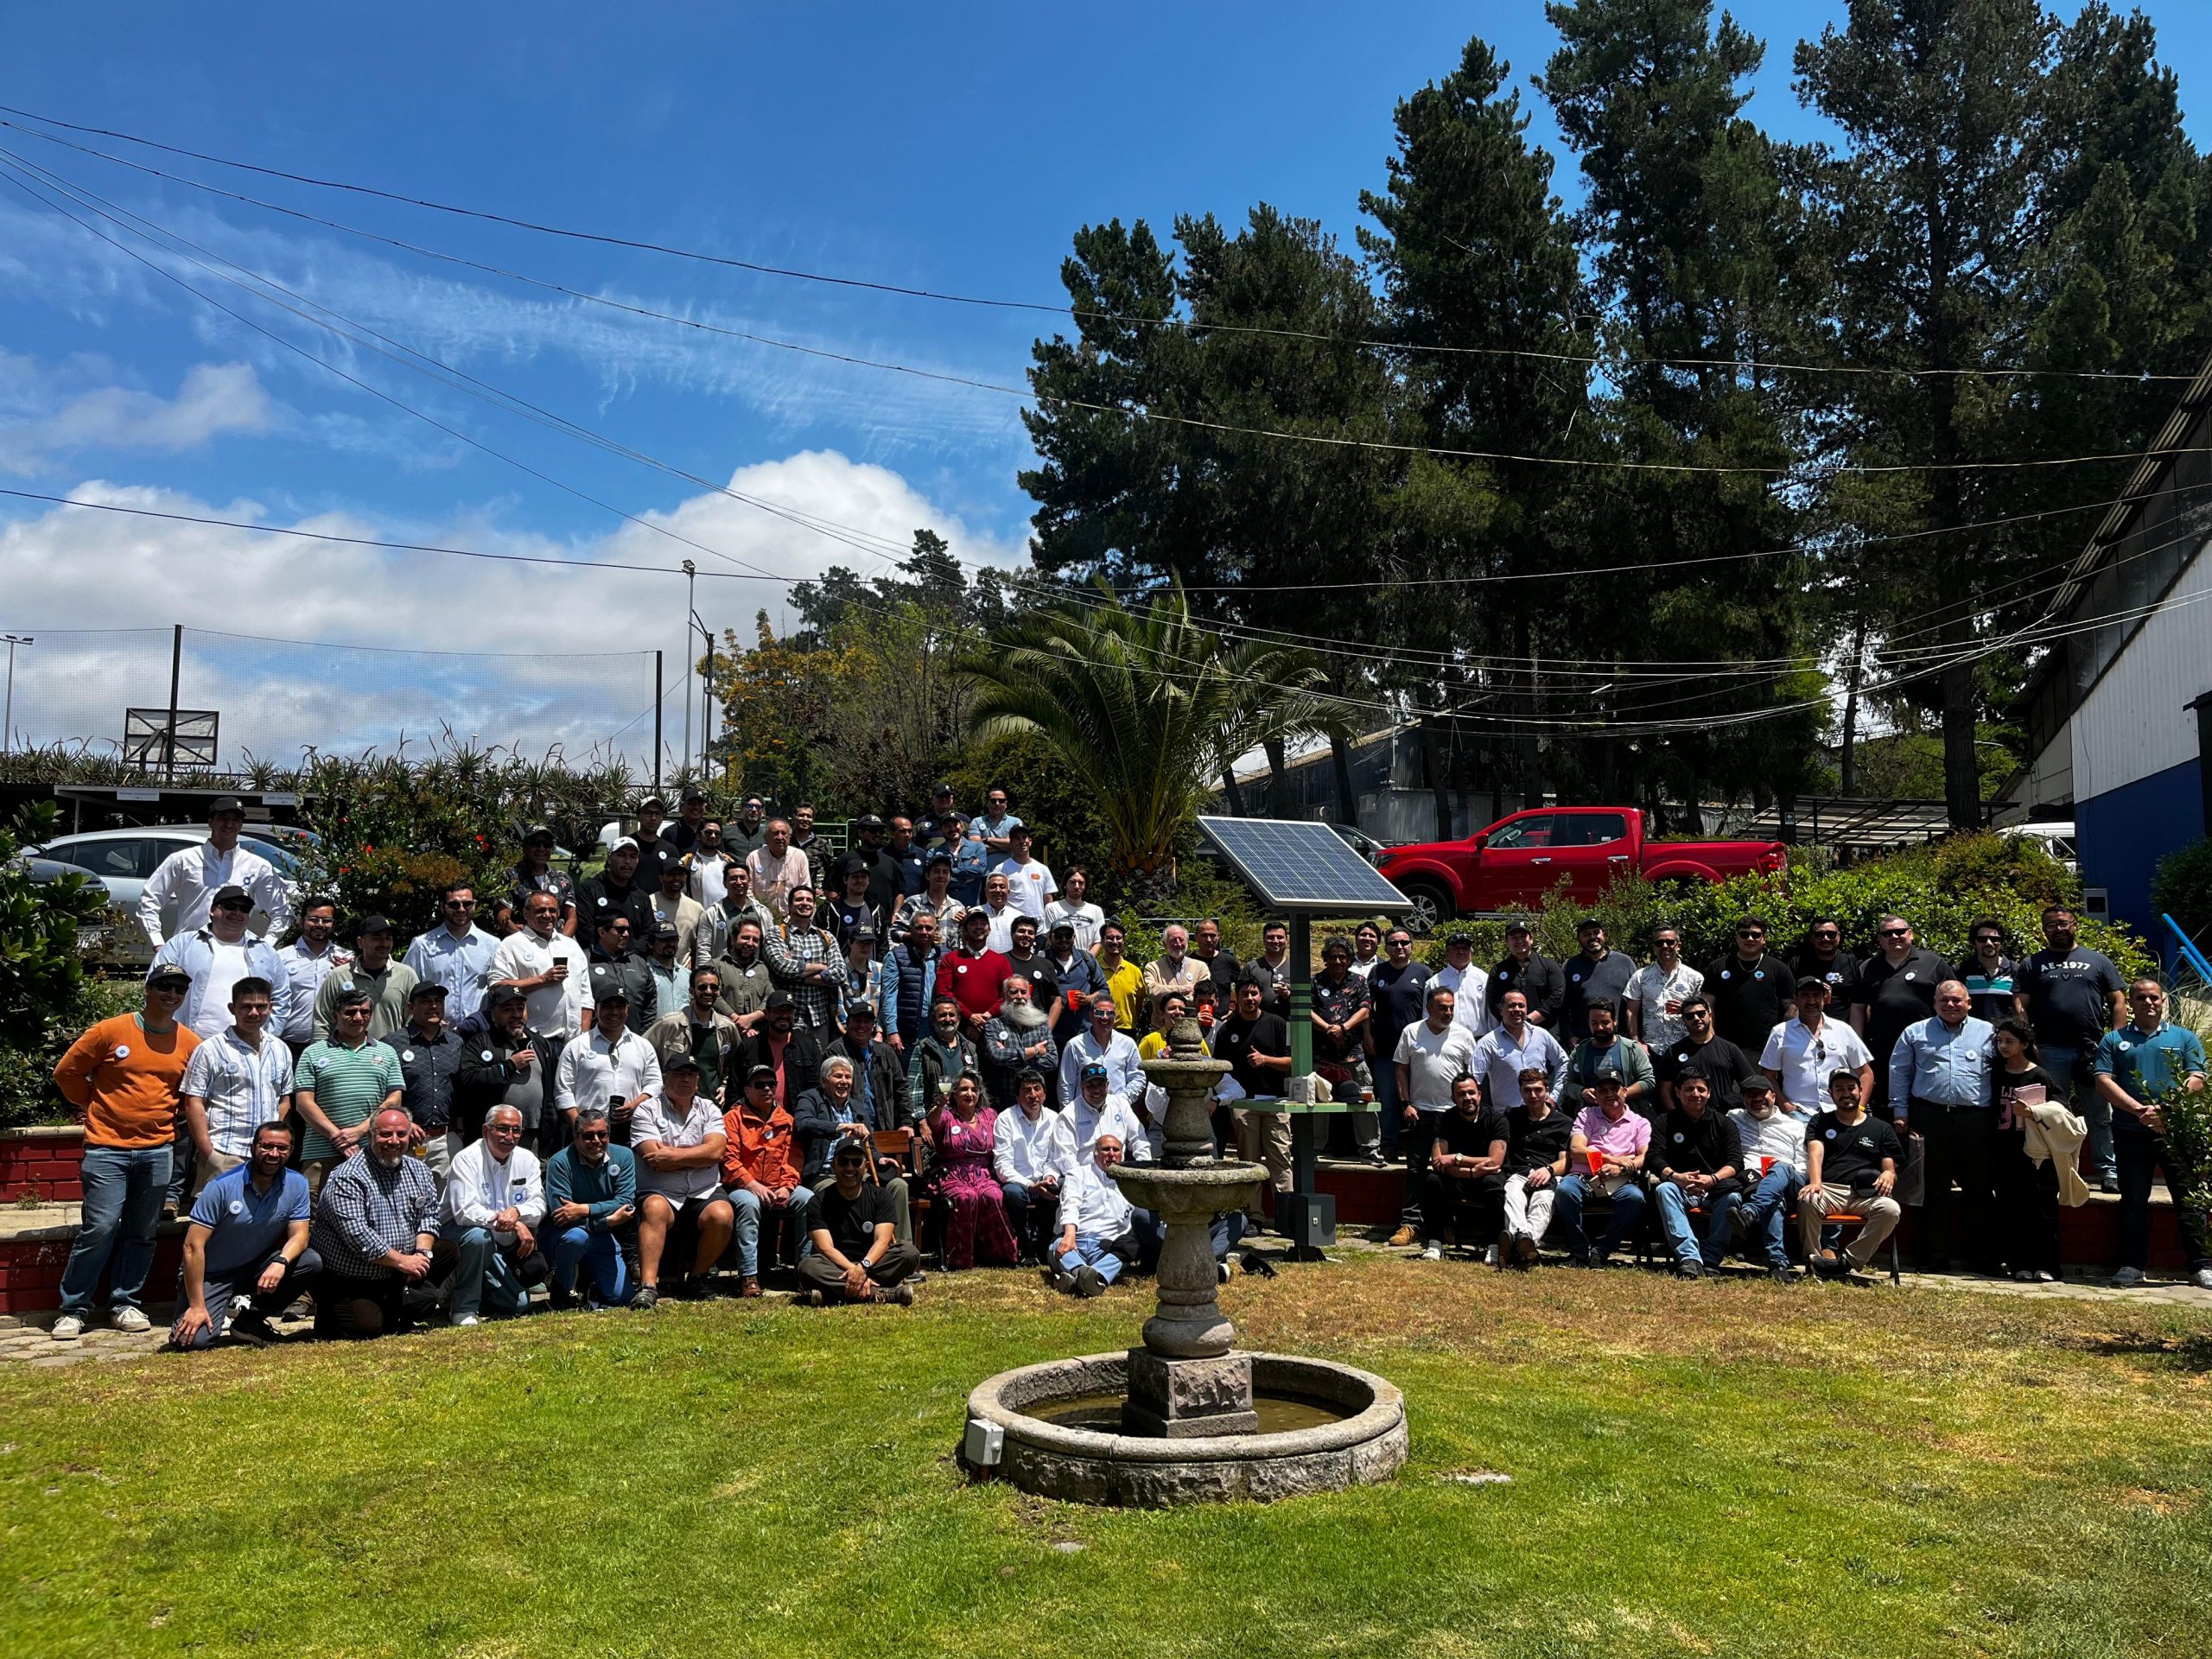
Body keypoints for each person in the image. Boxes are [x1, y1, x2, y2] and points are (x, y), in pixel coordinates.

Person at [48, 969, 200, 1340]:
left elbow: (190, 1093)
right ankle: (74, 1309)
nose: (172, 993)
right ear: (148, 989)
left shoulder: (190, 1042)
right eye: (164, 986)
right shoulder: (109, 1031)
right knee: (99, 1228)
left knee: (142, 1233)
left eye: (180, 988)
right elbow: (67, 1072)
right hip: (106, 1148)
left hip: (159, 1149)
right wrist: (94, 1103)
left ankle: (125, 1302)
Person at [2093, 978, 2210, 1289]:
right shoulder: (2114, 1039)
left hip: (2177, 1133)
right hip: (2130, 1131)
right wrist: (2139, 1111)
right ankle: (2132, 1265)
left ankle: (2201, 1266)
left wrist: (2165, 1110)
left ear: (2163, 1001)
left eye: (2154, 997)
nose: (2149, 1003)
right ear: (2130, 1003)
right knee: (2133, 1199)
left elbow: (2197, 1077)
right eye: (2141, 998)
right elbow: (2103, 1080)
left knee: (2189, 1200)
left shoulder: (2184, 1038)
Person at [168, 1120, 317, 1349]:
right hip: (211, 1274)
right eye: (266, 1146)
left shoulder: (296, 1183)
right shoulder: (221, 1186)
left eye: (282, 1148)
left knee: (310, 1262)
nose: (274, 1154)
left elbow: (300, 1236)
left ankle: (249, 1321)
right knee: (192, 1341)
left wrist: (280, 1262)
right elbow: (192, 1247)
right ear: (253, 1148)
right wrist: (197, 1306)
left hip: (255, 1266)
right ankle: (203, 1305)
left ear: (291, 1151)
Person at [2016, 905, 2127, 1192]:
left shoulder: (2098, 961)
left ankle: (2108, 1172)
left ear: (2075, 925)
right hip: (2050, 1049)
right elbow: (2020, 1004)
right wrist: (2029, 1042)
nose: (2058, 929)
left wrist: (2114, 1040)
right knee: (2053, 1114)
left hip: (2093, 1049)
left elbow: (2117, 1000)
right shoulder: (2032, 963)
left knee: (2100, 1114)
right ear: (2044, 930)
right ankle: (2057, 1170)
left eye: (2063, 924)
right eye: (2051, 925)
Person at [1891, 980, 1998, 1273]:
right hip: (1930, 1117)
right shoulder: (1915, 1032)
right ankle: (1935, 1257)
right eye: (1945, 1000)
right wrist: (1900, 1111)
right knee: (1934, 1189)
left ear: (1969, 1002)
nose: (1951, 1005)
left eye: (1957, 1000)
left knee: (1979, 1188)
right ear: (1935, 1003)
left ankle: (1983, 1258)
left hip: (1975, 1119)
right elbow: (1899, 1072)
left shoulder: (1988, 1033)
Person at [307, 1106, 442, 1337]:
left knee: (448, 1251)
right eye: (385, 1134)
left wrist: (421, 1254)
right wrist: (403, 1262)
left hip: (395, 1267)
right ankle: (333, 1311)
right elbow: (357, 1235)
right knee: (366, 1329)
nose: (394, 1141)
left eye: (401, 1134)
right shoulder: (347, 1176)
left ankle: (397, 1302)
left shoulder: (419, 1170)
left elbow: (430, 1215)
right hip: (351, 1276)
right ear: (370, 1136)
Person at [627, 1055, 735, 1306]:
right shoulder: (646, 1110)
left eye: (691, 1074)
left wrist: (672, 1156)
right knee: (654, 1209)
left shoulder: (709, 1108)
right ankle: (648, 1287)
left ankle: (697, 1277)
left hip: (703, 1190)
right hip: (659, 1189)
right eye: (679, 1073)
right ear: (666, 1078)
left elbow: (717, 1152)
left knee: (723, 1214)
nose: (685, 1079)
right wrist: (699, 1156)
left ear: (698, 1081)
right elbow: (653, 1158)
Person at [178, 975, 293, 1195]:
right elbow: (194, 1102)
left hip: (267, 1155)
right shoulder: (210, 1049)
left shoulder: (280, 1049)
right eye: (246, 1007)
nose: (253, 1013)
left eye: (261, 1007)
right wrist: (208, 1152)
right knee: (215, 1224)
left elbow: (284, 1099)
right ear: (232, 1008)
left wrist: (275, 1143)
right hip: (224, 1150)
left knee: (260, 1223)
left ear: (271, 1007)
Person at [1388, 982, 1481, 1247]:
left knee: (1452, 1170)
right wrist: (1406, 1102)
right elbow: (1401, 1070)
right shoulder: (1411, 1032)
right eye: (1442, 1008)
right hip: (1421, 1112)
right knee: (1416, 1171)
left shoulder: (1464, 1035)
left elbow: (1470, 1077)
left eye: (1451, 1008)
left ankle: (1449, 1225)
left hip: (1454, 1116)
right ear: (1429, 1008)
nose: (1448, 1013)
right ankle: (1410, 1225)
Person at [439, 1103, 546, 1325]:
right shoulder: (466, 1158)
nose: (510, 1136)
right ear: (486, 1131)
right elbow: (464, 1212)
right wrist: (515, 1223)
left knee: (517, 1305)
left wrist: (517, 1212)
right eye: (503, 1129)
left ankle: (459, 1286)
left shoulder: (527, 1159)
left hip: (501, 1245)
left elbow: (538, 1205)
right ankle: (463, 1308)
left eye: (516, 1130)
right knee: (479, 1238)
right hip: (461, 1236)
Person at [137, 795, 292, 948]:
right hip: (189, 949)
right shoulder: (182, 860)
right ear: (211, 822)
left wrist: (265, 946)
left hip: (235, 953)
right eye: (223, 818)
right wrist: (158, 943)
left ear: (241, 824)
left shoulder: (258, 866)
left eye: (235, 819)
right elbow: (149, 901)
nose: (229, 824)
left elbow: (282, 912)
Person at [295, 988, 404, 1198]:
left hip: (373, 1149)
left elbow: (394, 1099)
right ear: (335, 1016)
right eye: (350, 1012)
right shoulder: (313, 1052)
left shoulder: (387, 1052)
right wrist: (338, 1137)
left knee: (373, 1212)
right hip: (321, 1153)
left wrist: (361, 1131)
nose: (358, 1017)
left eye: (364, 1012)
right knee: (316, 1217)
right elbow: (303, 1103)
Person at [149, 883, 293, 1042]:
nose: (237, 912)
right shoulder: (180, 944)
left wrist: (267, 1036)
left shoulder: (266, 952)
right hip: (187, 1043)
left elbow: (281, 998)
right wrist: (163, 1031)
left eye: (244, 908)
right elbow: (155, 988)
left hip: (246, 1046)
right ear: (212, 910)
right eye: (230, 906)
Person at [1800, 1069, 1905, 1279]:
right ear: (1831, 1093)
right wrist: (1816, 1183)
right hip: (1829, 1189)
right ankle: (1813, 1262)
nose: (1846, 1093)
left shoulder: (1881, 1128)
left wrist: (1889, 1174)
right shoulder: (1820, 1121)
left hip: (1864, 1195)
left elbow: (1889, 1165)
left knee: (1890, 1209)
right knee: (1808, 1199)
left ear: (1860, 1090)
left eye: (1851, 1088)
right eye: (1839, 1089)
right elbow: (1815, 1153)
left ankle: (1847, 1262)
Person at [1990, 1017, 2070, 1283]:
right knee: (2011, 1209)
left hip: (2036, 1156)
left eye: (2009, 1041)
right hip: (2004, 1152)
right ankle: (2019, 1264)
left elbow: (2061, 1109)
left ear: (2024, 1044)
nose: (2003, 1046)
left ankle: (2047, 1265)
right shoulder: (1996, 1073)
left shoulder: (2040, 1075)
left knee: (2042, 1210)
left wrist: (2034, 1112)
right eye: (1999, 1040)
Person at [720, 1064, 807, 1296]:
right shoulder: (732, 1119)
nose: (767, 1089)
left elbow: (794, 1158)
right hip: (741, 1187)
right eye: (760, 1085)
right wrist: (751, 1184)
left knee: (808, 1199)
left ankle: (806, 1273)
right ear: (747, 1090)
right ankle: (749, 1277)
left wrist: (788, 1187)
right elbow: (729, 1159)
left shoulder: (786, 1119)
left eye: (771, 1084)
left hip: (779, 1186)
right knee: (748, 1204)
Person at [1647, 1073, 1745, 1280]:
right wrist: (1675, 1177)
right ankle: (1689, 1259)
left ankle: (1710, 1260)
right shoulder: (1665, 1121)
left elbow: (1736, 1162)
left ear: (1709, 1093)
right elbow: (1653, 1158)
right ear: (1678, 1092)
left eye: (1701, 1089)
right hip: (1679, 1186)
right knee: (1664, 1189)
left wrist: (1713, 1179)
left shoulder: (1724, 1123)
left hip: (1715, 1189)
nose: (1695, 1094)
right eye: (1689, 1089)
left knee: (1733, 1198)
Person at [800, 1140, 921, 1305]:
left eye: (856, 1162)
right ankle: (882, 1294)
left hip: (874, 1263)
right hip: (836, 1266)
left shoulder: (881, 1196)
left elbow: (883, 1240)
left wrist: (863, 1268)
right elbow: (825, 1247)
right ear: (834, 1165)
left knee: (909, 1252)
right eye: (843, 1162)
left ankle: (833, 1295)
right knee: (807, 1267)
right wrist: (854, 1270)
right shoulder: (818, 1202)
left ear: (865, 1167)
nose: (849, 1168)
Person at [1850, 913, 1947, 1116]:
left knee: (1924, 1098)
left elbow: (1953, 999)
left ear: (1910, 934)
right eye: (1887, 933)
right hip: (1882, 1048)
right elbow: (1858, 1008)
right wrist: (1858, 1046)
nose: (1894, 936)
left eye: (1899, 931)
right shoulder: (1867, 967)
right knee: (1886, 1102)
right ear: (1880, 940)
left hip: (1928, 1045)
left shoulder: (1934, 963)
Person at [1217, 974, 1294, 1227]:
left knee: (1280, 1158)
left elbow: (1292, 1063)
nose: (1250, 998)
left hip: (1276, 1102)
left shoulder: (1278, 1023)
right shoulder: (1227, 1029)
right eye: (1244, 995)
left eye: (1254, 994)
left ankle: (1286, 1217)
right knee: (1248, 1161)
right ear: (1236, 998)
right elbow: (1221, 1070)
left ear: (1261, 996)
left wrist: (1266, 1060)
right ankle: (1253, 1217)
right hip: (1243, 1104)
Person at [1554, 1070, 1650, 1268]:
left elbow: (1646, 1157)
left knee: (1635, 1198)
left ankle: (1601, 1251)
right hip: (1583, 1175)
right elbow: (1576, 1150)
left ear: (1625, 1091)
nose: (1609, 1094)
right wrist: (1612, 1159)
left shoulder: (1640, 1123)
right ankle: (1578, 1252)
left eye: (1614, 1089)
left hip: (1621, 1180)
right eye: (1603, 1090)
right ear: (1595, 1095)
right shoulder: (1587, 1114)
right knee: (1565, 1191)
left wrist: (1621, 1170)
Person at [543, 1104, 637, 1309]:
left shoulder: (624, 1156)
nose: (596, 1141)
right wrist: (607, 1221)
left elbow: (626, 1202)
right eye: (588, 1136)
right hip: (565, 1235)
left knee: (621, 1298)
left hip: (600, 1236)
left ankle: (589, 1282)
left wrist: (584, 1209)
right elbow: (562, 1216)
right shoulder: (559, 1163)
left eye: (602, 1134)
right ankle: (562, 1287)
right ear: (575, 1137)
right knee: (576, 1238)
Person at [931, 1071, 1021, 1269]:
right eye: (964, 1089)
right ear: (954, 1094)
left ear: (980, 1093)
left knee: (993, 1195)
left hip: (983, 1174)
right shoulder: (947, 1116)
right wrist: (939, 1105)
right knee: (965, 1197)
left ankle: (999, 1256)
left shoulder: (989, 1115)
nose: (969, 1093)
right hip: (953, 1174)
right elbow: (933, 1122)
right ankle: (959, 1258)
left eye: (974, 1089)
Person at [1414, 1073, 1508, 1263]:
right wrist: (1473, 1171)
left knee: (1493, 1183)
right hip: (1457, 1178)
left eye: (1471, 1093)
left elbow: (1494, 1162)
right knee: (1433, 1180)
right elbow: (1439, 1161)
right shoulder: (1446, 1119)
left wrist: (1457, 1159)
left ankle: (1494, 1246)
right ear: (1453, 1098)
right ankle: (1435, 1243)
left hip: (1487, 1178)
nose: (1467, 1098)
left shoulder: (1497, 1120)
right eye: (1461, 1094)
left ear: (1480, 1095)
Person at [554, 986, 663, 1147]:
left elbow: (655, 1084)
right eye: (607, 1006)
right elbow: (563, 1093)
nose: (614, 1012)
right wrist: (581, 1129)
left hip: (632, 1130)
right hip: (588, 1133)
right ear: (596, 1009)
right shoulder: (577, 1046)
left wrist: (634, 1105)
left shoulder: (643, 1046)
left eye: (620, 1006)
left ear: (628, 1009)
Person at [488, 889, 592, 1055]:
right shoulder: (511, 945)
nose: (547, 915)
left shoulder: (571, 945)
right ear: (526, 913)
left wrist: (584, 1035)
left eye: (552, 910)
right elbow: (498, 987)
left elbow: (586, 998)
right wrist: (542, 980)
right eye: (540, 910)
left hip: (572, 1042)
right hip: (533, 1040)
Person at [1726, 1075, 1807, 1281]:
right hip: (1751, 1184)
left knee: (1780, 1168)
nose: (1757, 1099)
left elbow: (1804, 1166)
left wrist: (1775, 1172)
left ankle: (1750, 1212)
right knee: (1774, 1199)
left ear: (1773, 1095)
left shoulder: (1794, 1126)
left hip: (1791, 1183)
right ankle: (1778, 1264)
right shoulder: (1733, 1119)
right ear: (1744, 1100)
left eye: (1762, 1094)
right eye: (1751, 1095)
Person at [1311, 935, 1382, 1162]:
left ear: (1350, 959)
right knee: (1317, 1102)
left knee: (1365, 1099)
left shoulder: (1359, 981)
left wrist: (1344, 1027)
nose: (1338, 961)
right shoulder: (1315, 981)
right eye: (1333, 957)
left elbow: (1366, 1010)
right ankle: (1312, 1150)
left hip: (1353, 1053)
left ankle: (1370, 1150)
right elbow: (1306, 1010)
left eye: (1343, 957)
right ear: (1325, 959)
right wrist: (1328, 1028)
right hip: (1322, 1055)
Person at [454, 985, 550, 1147]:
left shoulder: (541, 1044)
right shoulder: (481, 1042)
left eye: (520, 1009)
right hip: (493, 1136)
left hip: (533, 1135)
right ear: (494, 1014)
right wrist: (510, 1065)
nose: (516, 1015)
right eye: (508, 1010)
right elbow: (468, 1078)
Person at [390, 982, 468, 1182]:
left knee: (444, 1207)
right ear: (410, 1008)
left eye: (438, 1001)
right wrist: (405, 1122)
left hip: (446, 1140)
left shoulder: (456, 1043)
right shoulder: (392, 1043)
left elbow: (460, 1090)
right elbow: (384, 1093)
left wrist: (458, 1132)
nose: (433, 1006)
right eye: (425, 1001)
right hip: (405, 1139)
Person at [1760, 979, 1874, 1115]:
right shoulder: (1780, 1032)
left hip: (1840, 1111)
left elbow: (1866, 1073)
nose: (1811, 1001)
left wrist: (1859, 1108)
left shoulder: (1843, 1030)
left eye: (1816, 996)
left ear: (1825, 999)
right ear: (1796, 999)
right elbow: (1768, 1074)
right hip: (1798, 1112)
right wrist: (1785, 1106)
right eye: (1805, 996)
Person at [995, 1070, 1073, 1262]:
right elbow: (1002, 1166)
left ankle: (1045, 1241)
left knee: (1062, 1185)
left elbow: (1054, 1158)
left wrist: (1049, 1177)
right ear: (1017, 1096)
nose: (1032, 1095)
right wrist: (1030, 1185)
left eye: (1037, 1089)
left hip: (1043, 1179)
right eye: (1026, 1090)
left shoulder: (1055, 1119)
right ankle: (1023, 1240)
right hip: (1018, 1183)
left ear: (1045, 1094)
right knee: (1012, 1193)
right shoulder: (1005, 1119)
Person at [1368, 925, 1432, 1160]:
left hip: (1416, 1050)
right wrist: (1368, 1035)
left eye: (1404, 942)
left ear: (1411, 946)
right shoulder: (1378, 971)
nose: (1399, 947)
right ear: (1386, 947)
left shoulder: (1424, 972)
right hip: (1385, 1049)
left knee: (1417, 1101)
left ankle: (1418, 1148)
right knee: (1388, 1101)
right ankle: (1388, 1146)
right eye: (1394, 943)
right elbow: (1367, 1007)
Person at [1048, 1134, 1138, 1296]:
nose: (1111, 1153)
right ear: (1095, 1154)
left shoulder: (1130, 1183)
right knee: (1057, 1246)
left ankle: (1078, 1278)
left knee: (1129, 1245)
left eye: (1115, 1149)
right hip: (1075, 1243)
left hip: (1104, 1249)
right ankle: (1090, 1278)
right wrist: (1069, 1235)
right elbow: (1071, 1204)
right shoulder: (1078, 1174)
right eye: (1105, 1149)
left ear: (1122, 1154)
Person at [1498, 1069, 1571, 1268]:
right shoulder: (1512, 1116)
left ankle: (1518, 1243)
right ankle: (1525, 1244)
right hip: (1519, 1173)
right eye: (1527, 1090)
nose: (1533, 1095)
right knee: (1512, 1193)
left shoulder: (1563, 1122)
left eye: (1538, 1090)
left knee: (1543, 1200)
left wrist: (1548, 1170)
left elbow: (1565, 1161)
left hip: (1548, 1174)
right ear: (1520, 1092)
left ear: (1547, 1090)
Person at [402, 881, 500, 1023]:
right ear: (442, 907)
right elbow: (408, 989)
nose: (461, 909)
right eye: (454, 905)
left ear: (475, 905)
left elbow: (499, 990)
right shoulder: (422, 944)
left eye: (467, 904)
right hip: (433, 1032)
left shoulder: (493, 945)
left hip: (479, 1033)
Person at [310, 914, 418, 1044]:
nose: (384, 944)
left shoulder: (406, 975)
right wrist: (320, 1055)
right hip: (347, 1057)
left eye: (388, 938)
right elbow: (322, 1020)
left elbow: (414, 1019)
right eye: (377, 938)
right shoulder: (339, 976)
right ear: (361, 942)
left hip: (392, 1056)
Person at [649, 967, 742, 1108]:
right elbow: (643, 1055)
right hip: (671, 1107)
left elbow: (735, 1064)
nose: (709, 991)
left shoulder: (727, 1028)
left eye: (714, 987)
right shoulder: (669, 1024)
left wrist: (724, 1086)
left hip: (712, 1107)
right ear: (692, 991)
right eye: (703, 987)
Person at [1656, 995, 1761, 1115]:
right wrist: (1675, 1117)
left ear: (1710, 1015)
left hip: (1724, 1120)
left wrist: (1734, 1103)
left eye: (1701, 1013)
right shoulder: (1673, 1051)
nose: (1696, 1018)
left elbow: (1750, 1083)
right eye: (1689, 1016)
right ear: (1684, 1020)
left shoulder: (1729, 1049)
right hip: (1687, 1121)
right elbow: (1665, 1091)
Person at [1703, 916, 1796, 1051]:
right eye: (1744, 934)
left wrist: (1786, 1040)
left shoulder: (1779, 969)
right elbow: (1707, 1004)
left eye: (1756, 935)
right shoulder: (1718, 967)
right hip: (1725, 1044)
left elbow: (1791, 1008)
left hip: (1767, 1046)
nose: (1750, 939)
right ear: (1737, 937)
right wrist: (1710, 1035)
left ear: (1764, 938)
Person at [1471, 989, 1569, 1114]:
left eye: (1521, 1006)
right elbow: (1473, 1080)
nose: (1517, 1009)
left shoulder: (1541, 1035)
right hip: (1507, 1117)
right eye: (1511, 1005)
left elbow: (1564, 1063)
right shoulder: (1488, 1043)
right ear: (1501, 1010)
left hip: (1542, 1114)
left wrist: (1554, 1097)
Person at [275, 896, 350, 1057]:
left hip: (335, 1045)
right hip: (290, 1044)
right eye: (314, 919)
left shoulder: (347, 958)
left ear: (333, 924)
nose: (320, 925)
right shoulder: (281, 958)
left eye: (326, 920)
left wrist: (346, 974)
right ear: (301, 922)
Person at [762, 885, 840, 1031]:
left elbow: (840, 974)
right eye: (799, 899)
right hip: (786, 1021)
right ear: (790, 906)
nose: (805, 903)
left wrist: (799, 974)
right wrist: (822, 967)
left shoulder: (826, 937)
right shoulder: (776, 934)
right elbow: (783, 968)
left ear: (814, 905)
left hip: (819, 1019)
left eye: (809, 900)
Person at [737, 991, 826, 1116]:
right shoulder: (749, 1046)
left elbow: (816, 1089)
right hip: (755, 1122)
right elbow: (735, 1090)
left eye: (789, 1012)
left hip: (797, 1122)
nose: (784, 1016)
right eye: (778, 1011)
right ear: (767, 1014)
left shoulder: (808, 1045)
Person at [1559, 1002, 1655, 1116]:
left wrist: (1622, 1094)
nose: (1599, 1028)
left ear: (1614, 1021)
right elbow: (1567, 1083)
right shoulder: (1580, 1052)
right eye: (1594, 1023)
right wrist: (1582, 1092)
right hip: (1590, 1118)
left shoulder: (1631, 1049)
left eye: (1605, 1022)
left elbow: (1648, 1081)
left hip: (1628, 1116)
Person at [828, 1000, 907, 1132]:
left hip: (883, 1128)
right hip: (850, 1129)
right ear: (848, 1023)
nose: (862, 1026)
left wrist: (906, 1122)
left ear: (873, 1026)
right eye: (857, 1021)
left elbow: (901, 1088)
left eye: (867, 1022)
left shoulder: (886, 1052)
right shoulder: (836, 1051)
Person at [1058, 992, 1144, 1112]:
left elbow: (1138, 1077)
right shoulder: (1074, 1045)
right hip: (1083, 1113)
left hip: (1118, 1112)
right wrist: (1067, 1114)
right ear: (1090, 1016)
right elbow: (1066, 1084)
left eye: (1110, 1013)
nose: (1105, 1017)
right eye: (1099, 1013)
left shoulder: (1128, 1044)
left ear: (1115, 1016)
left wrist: (1122, 1100)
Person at [983, 976, 1059, 1109]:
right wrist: (1034, 1051)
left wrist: (1011, 1058)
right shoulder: (994, 1025)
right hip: (1004, 1102)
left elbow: (1052, 1061)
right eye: (1014, 992)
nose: (1019, 996)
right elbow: (996, 1056)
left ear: (1029, 995)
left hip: (1034, 1102)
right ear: (1005, 995)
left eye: (1023, 992)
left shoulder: (1041, 1025)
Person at [1560, 918, 1637, 1043]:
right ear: (1579, 939)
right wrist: (1569, 1035)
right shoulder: (1570, 966)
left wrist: (1635, 1036)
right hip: (1584, 1042)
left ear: (1604, 935)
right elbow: (1562, 1007)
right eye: (1586, 934)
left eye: (1596, 932)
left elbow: (1637, 1003)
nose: (1592, 937)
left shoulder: (1625, 962)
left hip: (1621, 1041)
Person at [1625, 925, 1702, 1051]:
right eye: (1660, 943)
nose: (1665, 946)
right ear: (1654, 947)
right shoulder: (1640, 977)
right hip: (1651, 1049)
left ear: (1679, 945)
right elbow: (1631, 1012)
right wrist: (1636, 1043)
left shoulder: (1695, 978)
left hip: (1686, 1046)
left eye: (1670, 942)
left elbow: (1704, 1012)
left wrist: (1685, 1008)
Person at [907, 995, 981, 1124]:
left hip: (964, 1119)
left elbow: (976, 1087)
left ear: (958, 1018)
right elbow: (914, 1089)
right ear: (933, 1020)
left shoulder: (970, 1048)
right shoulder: (923, 1048)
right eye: (942, 1015)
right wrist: (921, 1121)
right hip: (936, 1120)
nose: (948, 1019)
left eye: (952, 1015)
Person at [942, 907, 1011, 1042]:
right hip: (959, 1028)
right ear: (965, 930)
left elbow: (1006, 995)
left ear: (989, 929)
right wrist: (970, 1016)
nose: (979, 927)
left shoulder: (1001, 961)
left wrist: (984, 1017)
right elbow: (945, 992)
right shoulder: (951, 959)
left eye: (983, 923)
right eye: (973, 923)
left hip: (993, 1029)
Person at [882, 909, 943, 1063]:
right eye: (919, 928)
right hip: (907, 1031)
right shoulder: (896, 956)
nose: (924, 932)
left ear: (935, 931)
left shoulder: (945, 956)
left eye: (929, 928)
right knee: (906, 1080)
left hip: (938, 1030)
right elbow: (889, 995)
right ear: (910, 930)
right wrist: (892, 1031)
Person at [582, 912, 657, 1034]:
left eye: (628, 930)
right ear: (602, 932)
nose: (626, 934)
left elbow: (650, 1003)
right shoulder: (584, 960)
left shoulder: (638, 963)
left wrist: (642, 1036)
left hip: (634, 1040)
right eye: (620, 930)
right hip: (594, 1042)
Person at [1042, 918, 1108, 1051]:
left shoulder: (1087, 960)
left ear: (1074, 937)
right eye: (1059, 936)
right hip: (1054, 1035)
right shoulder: (1043, 962)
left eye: (1068, 935)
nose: (1064, 939)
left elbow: (1104, 990)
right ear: (1050, 938)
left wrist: (1089, 999)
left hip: (1084, 1033)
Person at [1486, 919, 1565, 1028]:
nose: (1519, 941)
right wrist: (1514, 1021)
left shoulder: (1549, 966)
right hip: (1511, 1031)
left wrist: (1529, 1020)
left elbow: (1556, 998)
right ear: (1507, 942)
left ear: (1531, 939)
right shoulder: (1498, 970)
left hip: (1546, 1029)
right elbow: (1494, 1001)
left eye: (1523, 936)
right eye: (1514, 937)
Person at [698, 861, 776, 968]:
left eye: (743, 878)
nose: (739, 882)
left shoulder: (763, 912)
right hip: (723, 975)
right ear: (725, 883)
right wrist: (706, 976)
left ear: (749, 881)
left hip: (756, 976)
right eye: (733, 878)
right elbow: (704, 951)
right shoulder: (712, 914)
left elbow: (772, 945)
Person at [709, 917, 775, 1034]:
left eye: (755, 940)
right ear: (733, 939)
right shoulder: (716, 965)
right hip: (724, 1032)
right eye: (745, 938)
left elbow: (770, 997)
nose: (750, 943)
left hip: (757, 1034)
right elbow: (713, 996)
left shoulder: (763, 968)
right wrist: (738, 1020)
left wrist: (751, 1019)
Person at [510, 824, 578, 937]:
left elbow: (572, 918)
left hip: (558, 943)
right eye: (535, 843)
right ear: (525, 846)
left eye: (547, 844)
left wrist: (562, 944)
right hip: (524, 945)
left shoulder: (562, 878)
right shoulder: (511, 876)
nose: (542, 848)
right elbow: (503, 919)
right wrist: (526, 944)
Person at [890, 849, 968, 946]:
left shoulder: (958, 907)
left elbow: (964, 943)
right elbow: (894, 933)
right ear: (927, 875)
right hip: (917, 959)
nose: (941, 876)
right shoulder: (913, 902)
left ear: (950, 877)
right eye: (936, 871)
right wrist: (917, 936)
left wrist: (966, 926)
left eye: (945, 872)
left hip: (947, 960)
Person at [1142, 924, 1211, 1027]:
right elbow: (1152, 991)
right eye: (1173, 940)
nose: (1178, 943)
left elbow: (1202, 996)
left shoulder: (1201, 967)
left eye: (1181, 939)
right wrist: (1183, 989)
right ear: (1165, 944)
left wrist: (1165, 994)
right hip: (1161, 1029)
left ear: (1187, 942)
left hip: (1193, 1028)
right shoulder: (1153, 967)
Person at [1429, 931, 1494, 1042]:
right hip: (1445, 1041)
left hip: (1479, 1041)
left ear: (1471, 953)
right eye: (1456, 948)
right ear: (1447, 953)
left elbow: (1491, 1014)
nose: (1461, 951)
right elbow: (1428, 1015)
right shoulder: (1434, 982)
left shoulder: (1484, 979)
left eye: (1465, 948)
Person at [650, 854, 709, 971]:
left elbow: (700, 946)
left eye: (681, 874)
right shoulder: (649, 902)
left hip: (684, 973)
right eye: (671, 874)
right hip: (654, 971)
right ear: (661, 878)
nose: (676, 878)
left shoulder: (696, 908)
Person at [746, 818, 813, 920]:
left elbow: (805, 888)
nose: (780, 837)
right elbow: (748, 891)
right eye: (775, 833)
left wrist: (793, 914)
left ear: (790, 837)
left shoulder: (799, 856)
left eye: (784, 833)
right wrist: (761, 913)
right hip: (760, 916)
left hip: (792, 917)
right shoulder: (754, 857)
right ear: (766, 838)